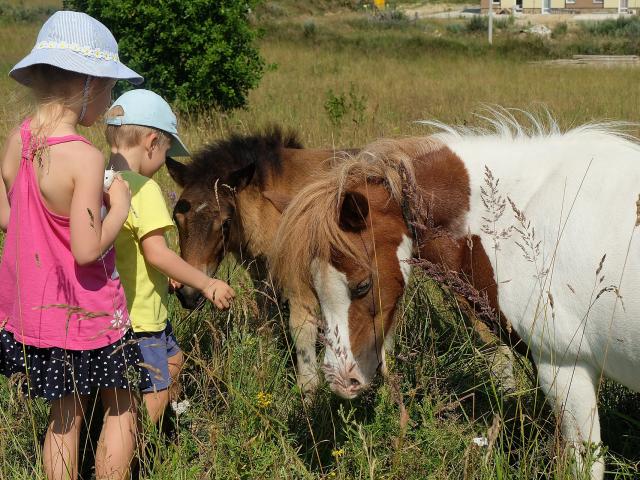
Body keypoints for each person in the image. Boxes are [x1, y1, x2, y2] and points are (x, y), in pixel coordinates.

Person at [0, 11, 150, 480]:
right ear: (85, 84)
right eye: (107, 88)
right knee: (123, 405)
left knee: (64, 419)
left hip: (38, 316)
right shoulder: (84, 157)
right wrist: (119, 206)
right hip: (89, 315)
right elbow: (87, 250)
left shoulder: (18, 138)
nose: (109, 101)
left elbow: (8, 216)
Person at [104, 89, 235, 424]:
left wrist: (167, 272)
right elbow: (156, 252)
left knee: (173, 362)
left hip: (115, 314)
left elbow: (129, 249)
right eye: (165, 152)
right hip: (144, 318)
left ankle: (150, 425)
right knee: (155, 390)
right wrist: (206, 283)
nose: (165, 162)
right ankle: (139, 443)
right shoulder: (144, 190)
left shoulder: (101, 183)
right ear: (150, 143)